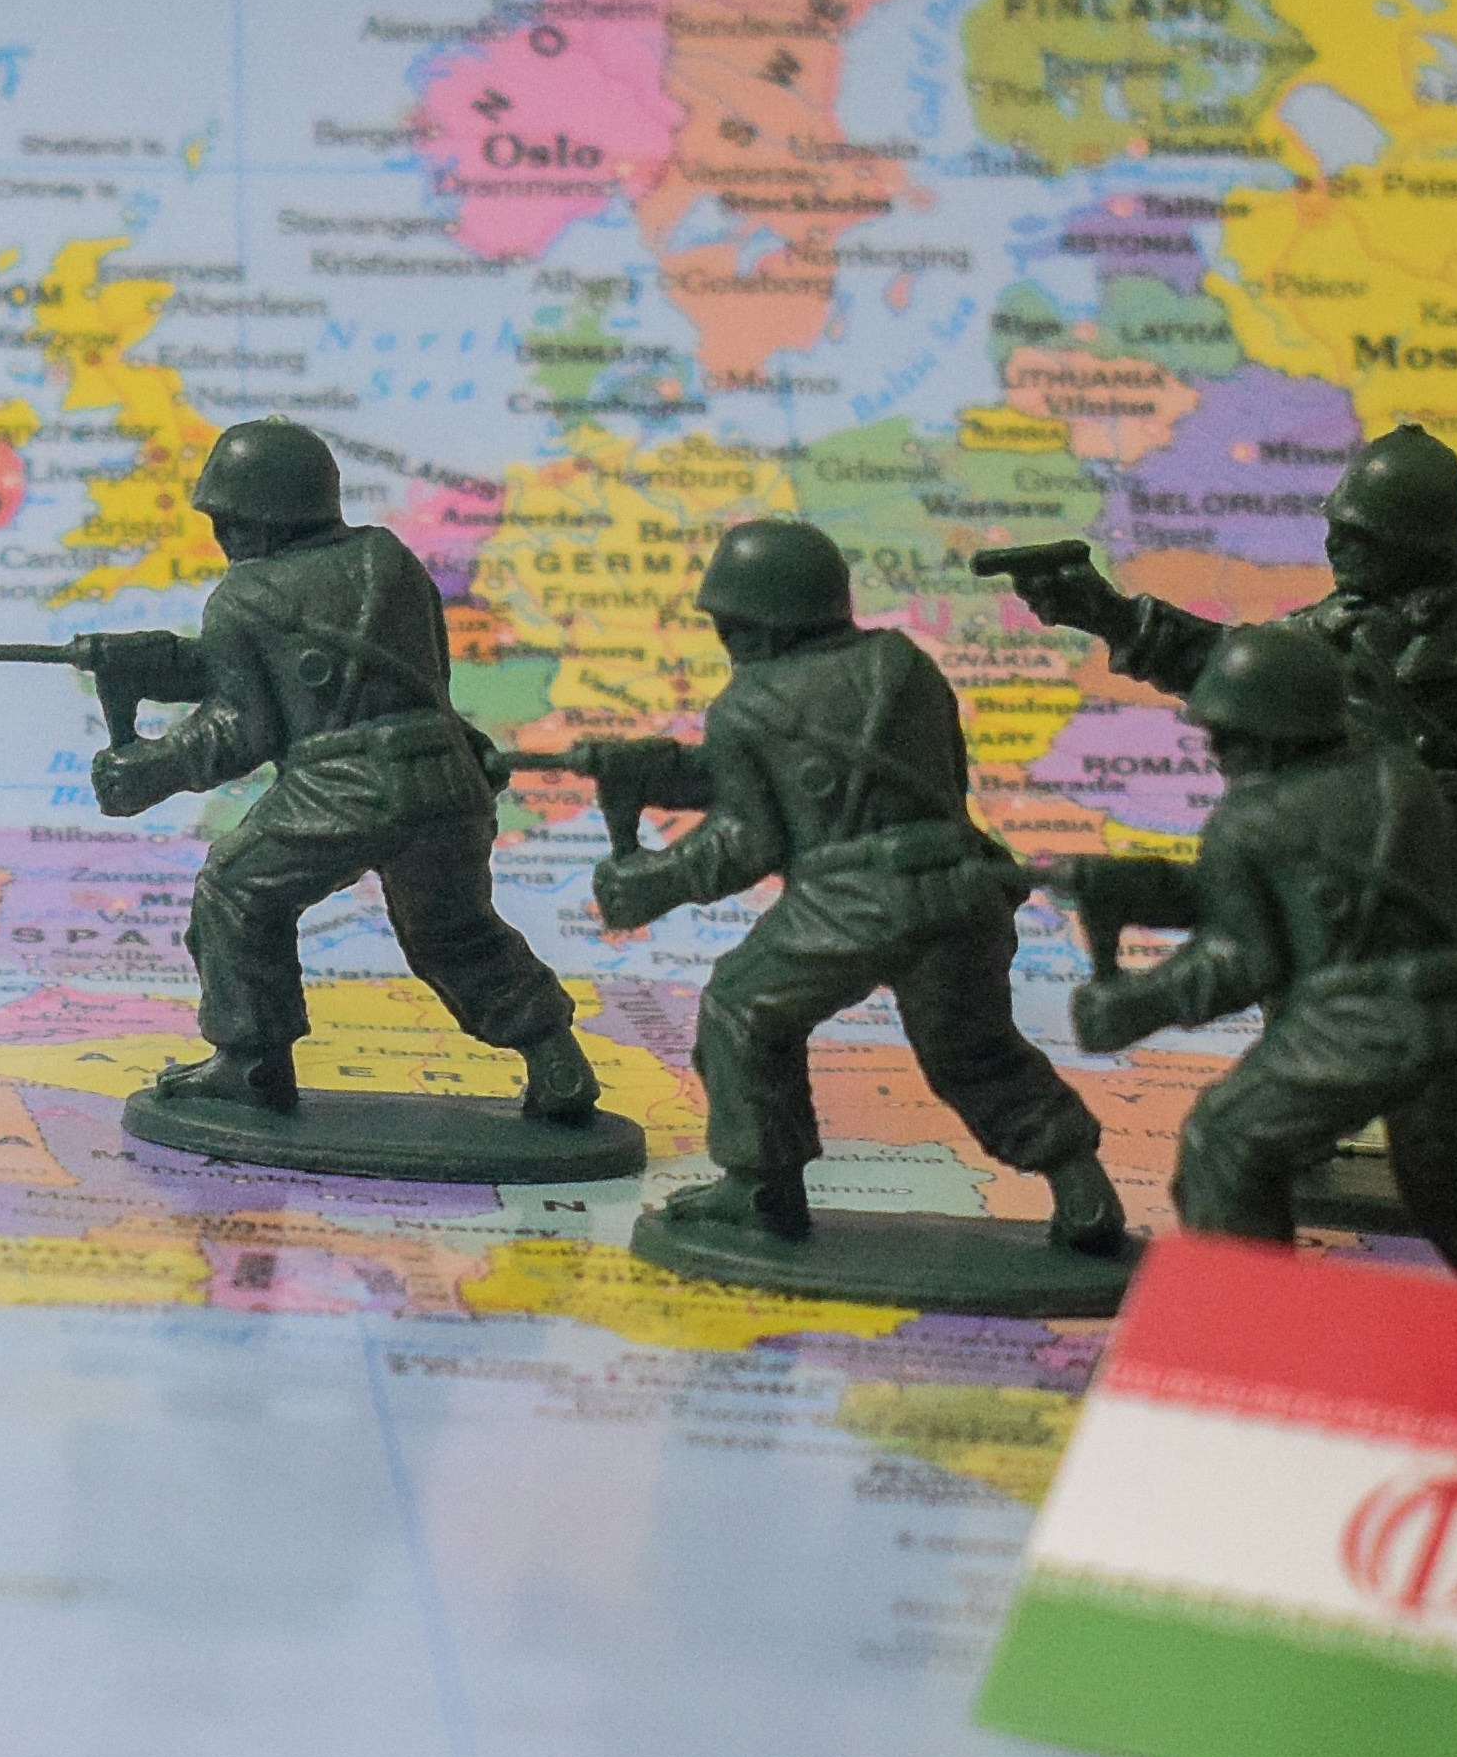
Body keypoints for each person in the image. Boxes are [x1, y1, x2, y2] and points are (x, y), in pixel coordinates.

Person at [1000, 423, 1457, 1198]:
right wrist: (1107, 613)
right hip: (1352, 844)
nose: (1336, 544)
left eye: (1360, 534)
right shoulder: (1329, 631)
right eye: (1336, 526)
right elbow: (1229, 663)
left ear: (1420, 542)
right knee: (1309, 977)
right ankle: (1302, 1128)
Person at [595, 517, 1119, 1252]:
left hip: (849, 906)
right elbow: (862, 782)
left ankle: (761, 1189)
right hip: (962, 890)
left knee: (742, 1010)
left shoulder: (746, 707)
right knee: (975, 1053)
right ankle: (1081, 1186)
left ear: (766, 618)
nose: (726, 637)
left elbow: (750, 841)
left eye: (732, 622)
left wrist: (649, 881)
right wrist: (673, 773)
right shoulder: (905, 667)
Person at [84, 417, 603, 1128]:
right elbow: (381, 675)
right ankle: (556, 1058)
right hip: (447, 778)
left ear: (264, 513)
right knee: (455, 931)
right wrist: (183, 665)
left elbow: (244, 729)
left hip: (342, 789)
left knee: (236, 891)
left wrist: (152, 767)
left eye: (230, 517)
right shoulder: (389, 561)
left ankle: (252, 1064)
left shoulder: (241, 599)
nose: (222, 532)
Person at [1063, 624, 1457, 1282]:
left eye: (1230, 731)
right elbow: (1301, 897)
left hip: (1352, 1030)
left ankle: (1251, 1320)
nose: (1217, 747)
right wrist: (1141, 887)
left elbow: (1244, 961)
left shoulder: (1247, 823)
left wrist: (1129, 1005)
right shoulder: (1402, 780)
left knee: (1224, 1142)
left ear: (1274, 729)